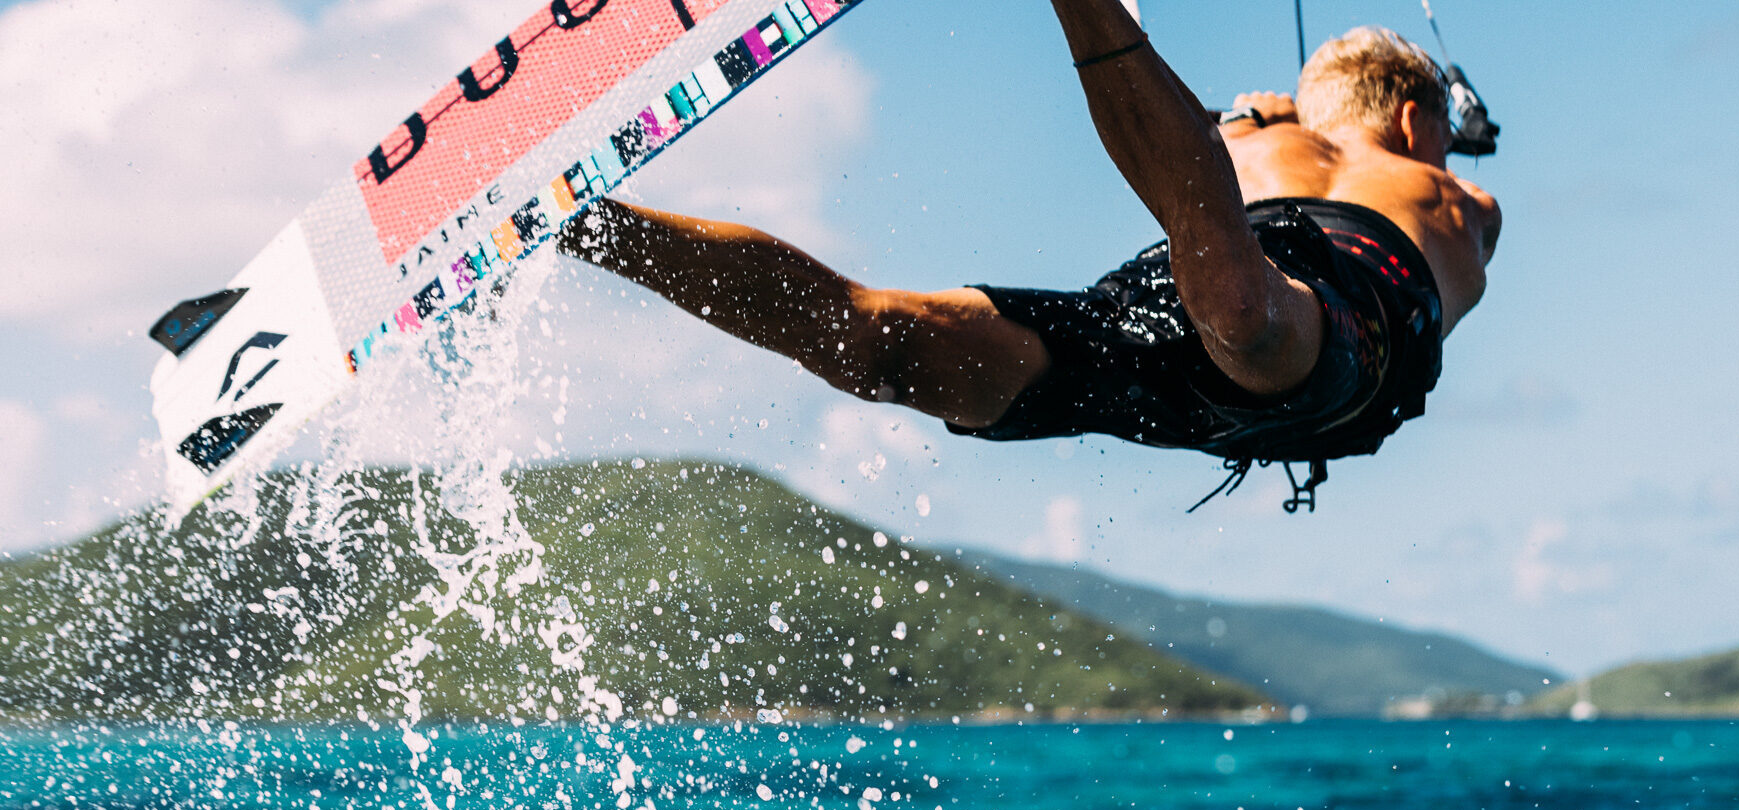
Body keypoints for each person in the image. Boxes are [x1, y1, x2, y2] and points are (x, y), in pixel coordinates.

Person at [557, 1, 1500, 508]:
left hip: (1338, 323)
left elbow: (1201, 125)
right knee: (878, 344)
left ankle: (1233, 298)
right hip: (1193, 311)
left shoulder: (1262, 130)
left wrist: (1269, 114)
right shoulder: (1451, 188)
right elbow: (1162, 124)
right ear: (1420, 119)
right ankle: (579, 223)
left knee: (1249, 311)